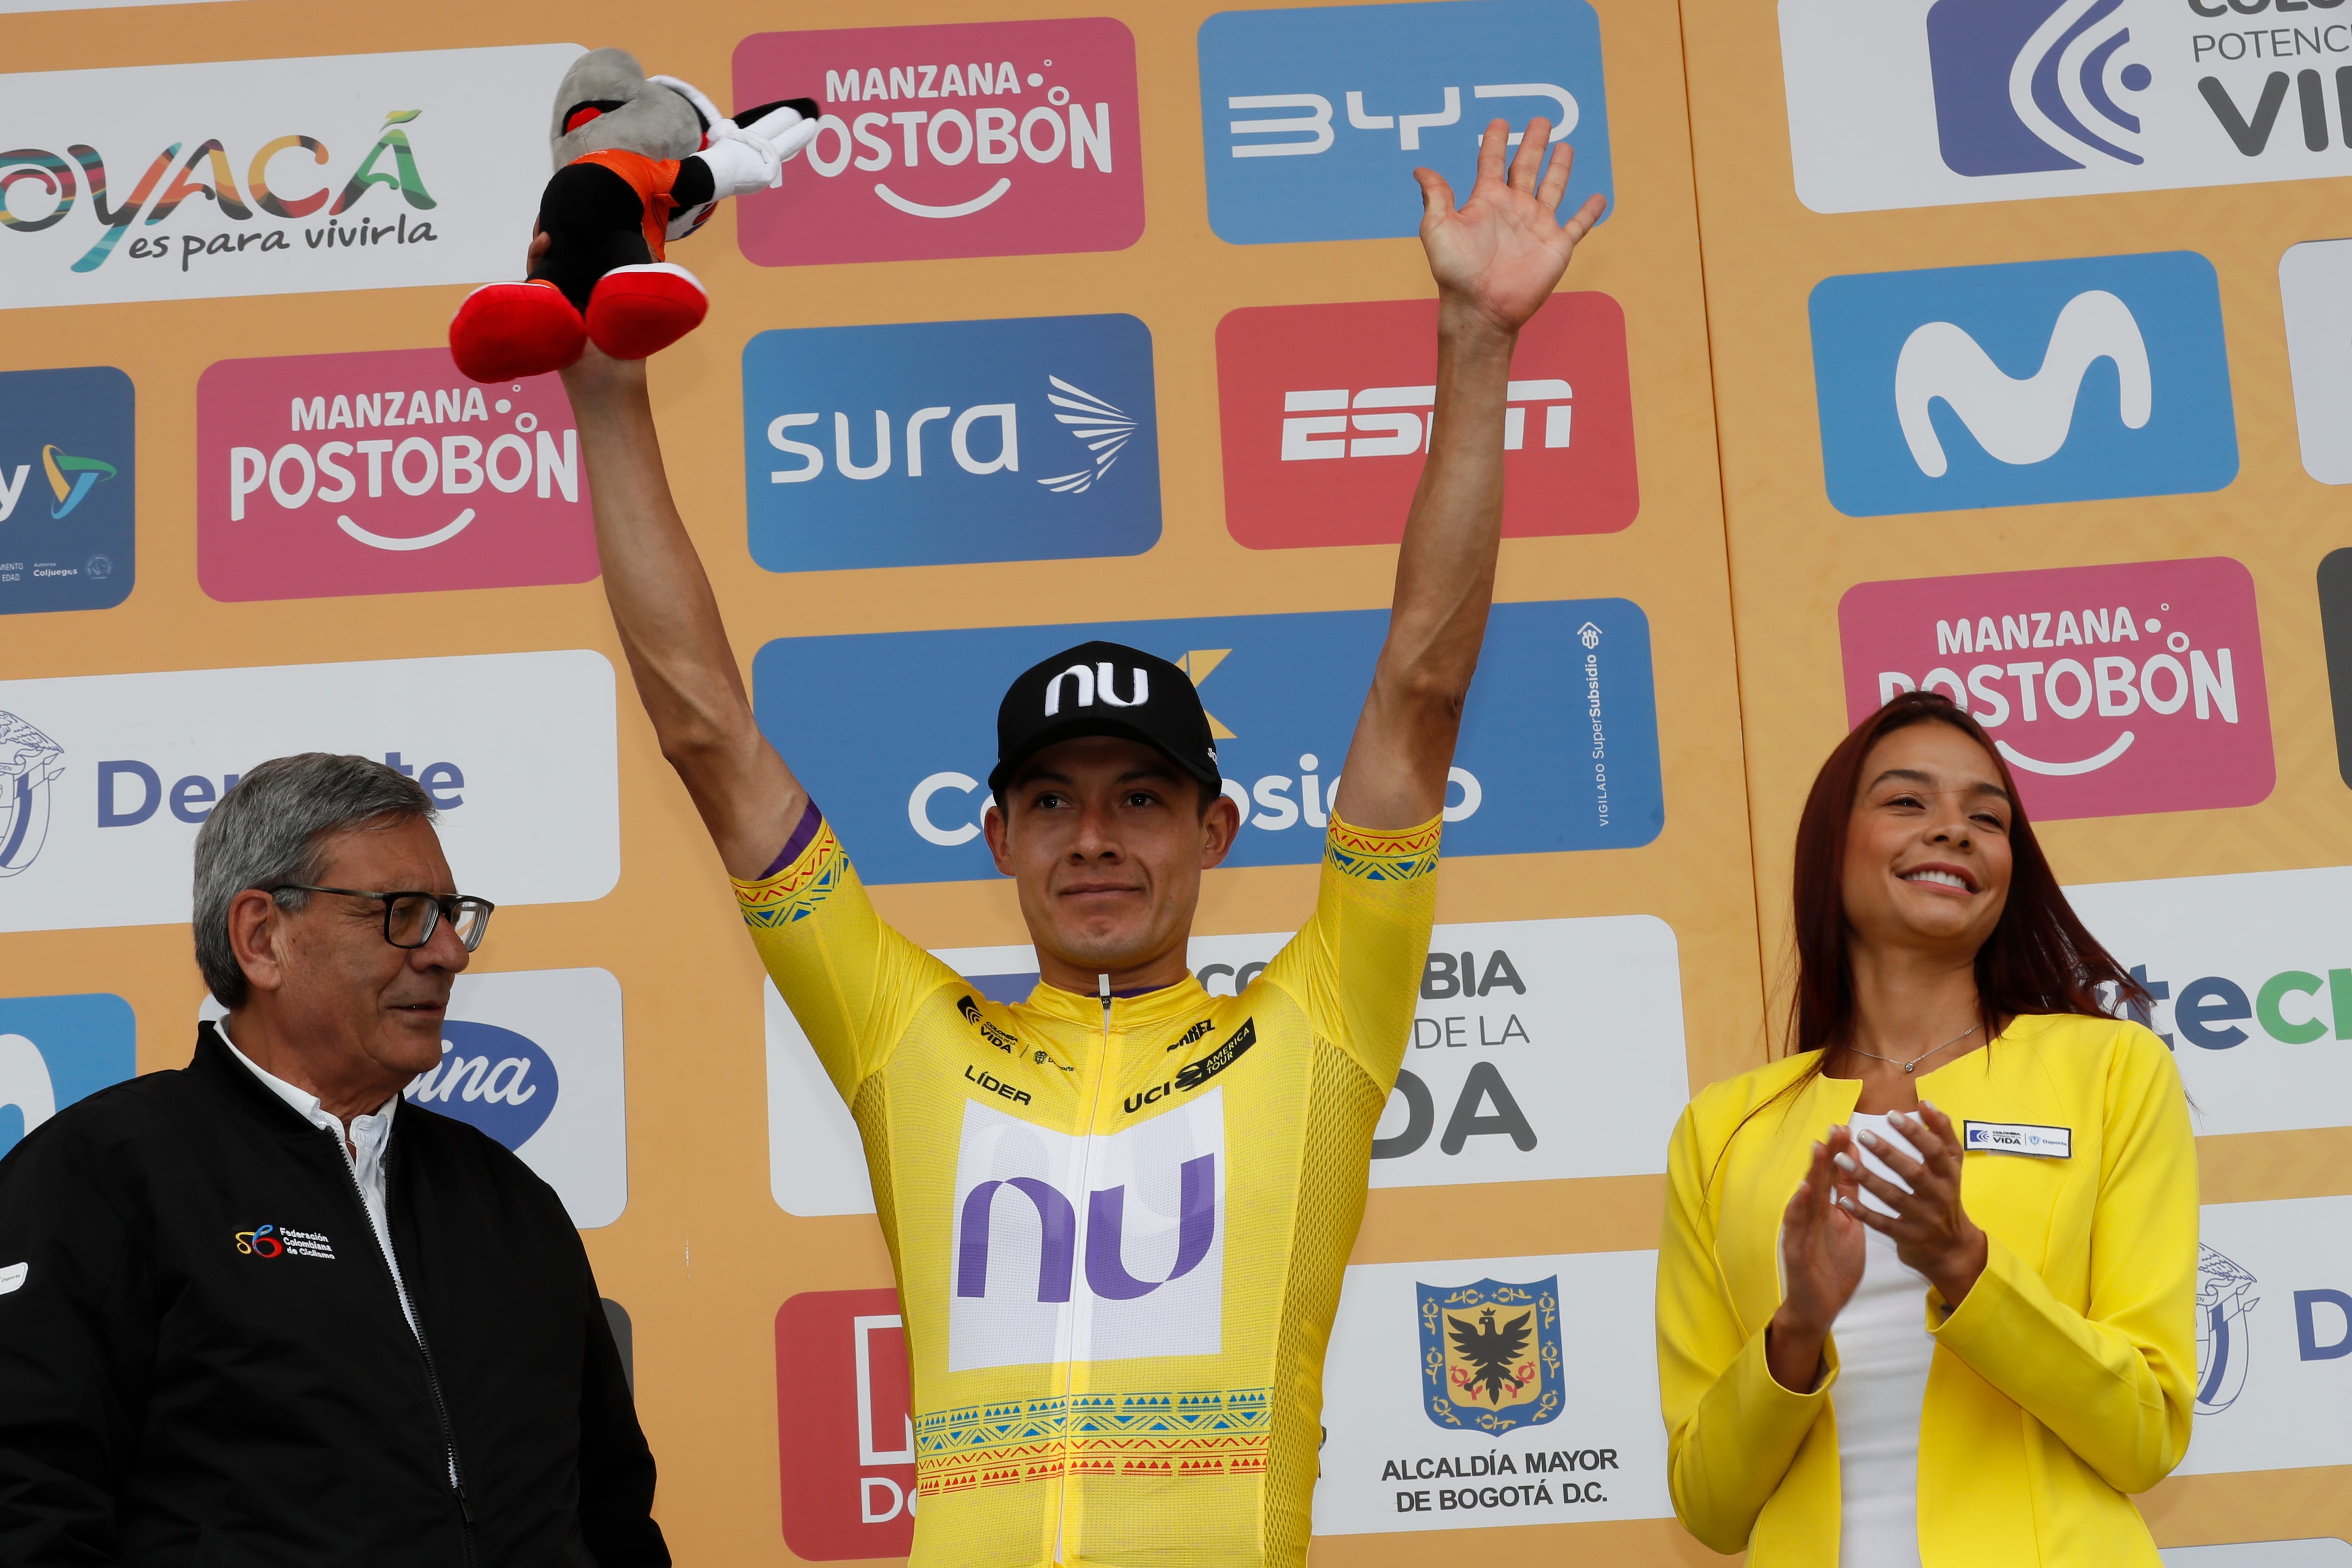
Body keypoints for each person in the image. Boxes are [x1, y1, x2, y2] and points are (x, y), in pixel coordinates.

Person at [564, 119, 1604, 1565]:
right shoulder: (903, 1035)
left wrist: (1476, 347)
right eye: (1052, 800)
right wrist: (603, 394)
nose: (1097, 837)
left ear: (1217, 827)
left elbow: (1421, 693)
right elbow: (705, 734)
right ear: (995, 836)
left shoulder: (1321, 1028)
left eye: (1142, 796)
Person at [0, 753, 668, 1567]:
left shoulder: (509, 1200)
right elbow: (27, 1504)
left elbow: (614, 1516)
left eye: (451, 913)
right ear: (262, 938)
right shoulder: (101, 1174)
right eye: (404, 913)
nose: (450, 952)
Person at [1655, 691, 2198, 1566]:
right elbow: (1711, 1507)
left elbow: (2147, 1432)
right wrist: (1796, 1328)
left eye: (1988, 816)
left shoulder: (2112, 1072)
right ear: (1831, 846)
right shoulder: (1722, 1129)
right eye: (1908, 801)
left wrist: (1962, 1262)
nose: (1955, 830)